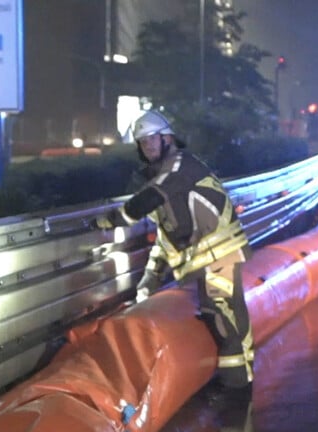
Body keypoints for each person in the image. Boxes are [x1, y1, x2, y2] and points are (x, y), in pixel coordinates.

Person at [101, 110, 254, 391]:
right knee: (215, 314)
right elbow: (166, 235)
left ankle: (238, 391)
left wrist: (113, 219)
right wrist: (151, 277)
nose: (147, 146)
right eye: (142, 142)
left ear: (168, 138)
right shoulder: (163, 178)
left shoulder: (180, 166)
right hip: (208, 255)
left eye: (152, 139)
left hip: (220, 252)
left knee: (223, 315)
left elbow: (150, 197)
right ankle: (235, 382)